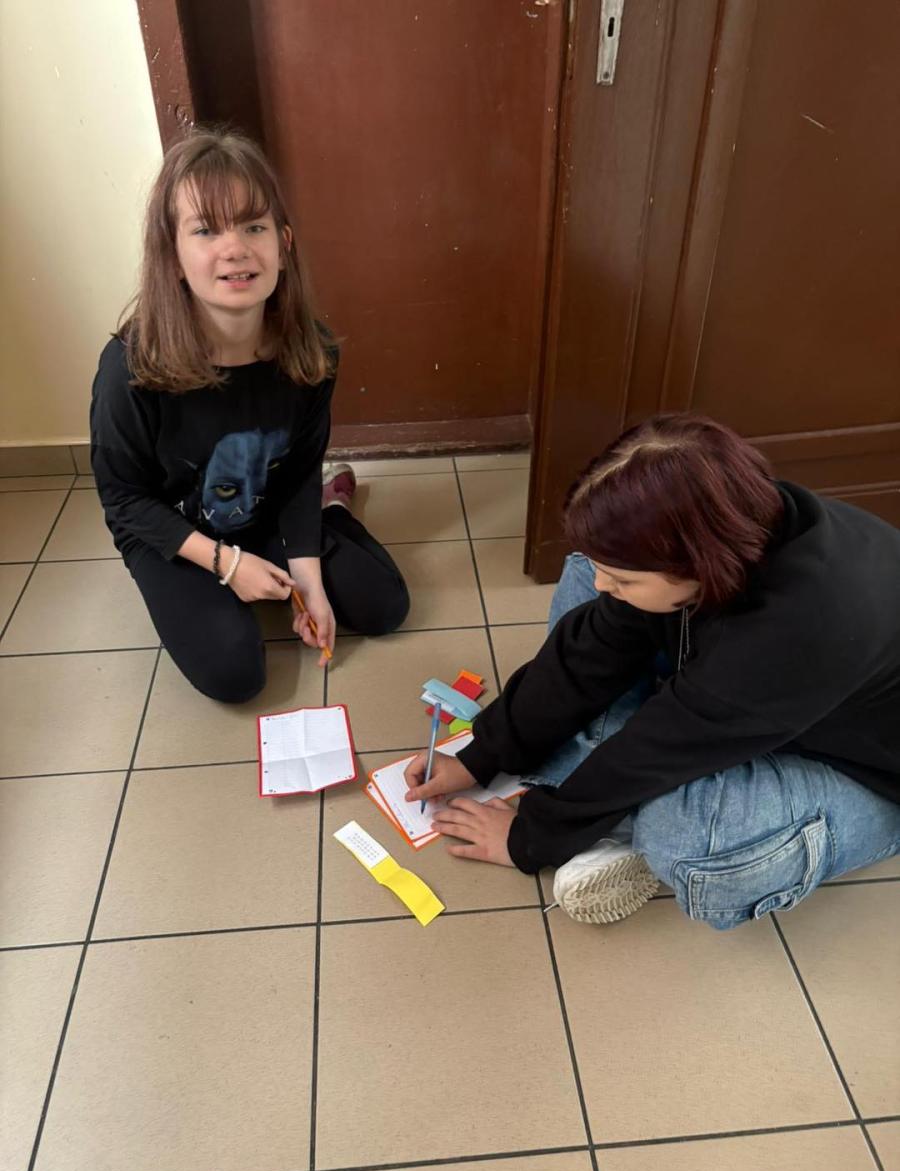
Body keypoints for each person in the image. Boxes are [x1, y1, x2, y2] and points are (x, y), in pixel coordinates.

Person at [404, 415, 900, 929]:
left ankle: (612, 813)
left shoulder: (797, 629)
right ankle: (606, 810)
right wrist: (482, 754)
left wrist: (530, 837)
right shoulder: (731, 524)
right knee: (585, 576)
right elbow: (588, 653)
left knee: (683, 837)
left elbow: (660, 745)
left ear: (699, 564)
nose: (605, 584)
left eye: (621, 578)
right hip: (754, 700)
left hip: (868, 770)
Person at [91, 128, 409, 701]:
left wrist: (309, 580)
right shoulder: (130, 367)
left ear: (283, 244)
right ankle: (290, 536)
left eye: (254, 226)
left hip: (262, 506)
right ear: (173, 256)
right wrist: (227, 564)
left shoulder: (312, 352)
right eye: (206, 230)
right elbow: (125, 501)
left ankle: (332, 510)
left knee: (384, 606)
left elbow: (298, 471)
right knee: (234, 675)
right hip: (173, 529)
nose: (235, 248)